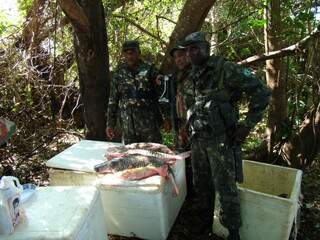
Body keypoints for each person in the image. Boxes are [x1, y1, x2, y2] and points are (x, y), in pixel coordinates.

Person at [182, 32, 271, 240]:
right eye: (187, 50)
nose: (190, 53)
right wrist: (186, 127)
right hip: (198, 141)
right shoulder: (192, 73)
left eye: (194, 48)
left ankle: (233, 232)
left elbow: (261, 92)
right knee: (201, 184)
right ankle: (204, 225)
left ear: (206, 48)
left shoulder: (226, 69)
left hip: (220, 140)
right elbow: (192, 104)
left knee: (225, 187)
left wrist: (247, 125)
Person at [106, 40, 162, 144]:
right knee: (130, 157)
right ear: (123, 54)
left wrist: (166, 117)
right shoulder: (118, 74)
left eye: (133, 52)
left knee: (155, 156)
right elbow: (113, 100)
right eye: (126, 52)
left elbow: (162, 95)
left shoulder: (150, 70)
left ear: (139, 53)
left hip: (149, 125)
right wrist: (110, 124)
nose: (130, 55)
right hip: (128, 128)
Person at [169, 41, 192, 149]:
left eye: (181, 55)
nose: (178, 59)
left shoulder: (197, 73)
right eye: (175, 57)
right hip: (180, 124)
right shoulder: (176, 77)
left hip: (195, 125)